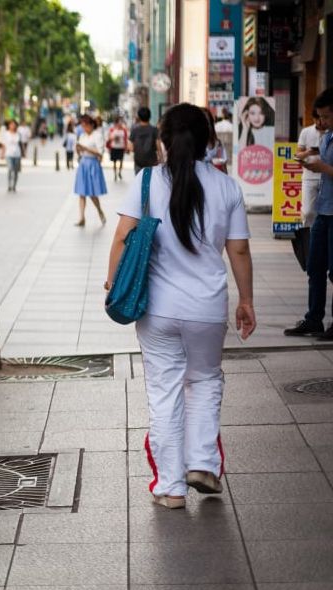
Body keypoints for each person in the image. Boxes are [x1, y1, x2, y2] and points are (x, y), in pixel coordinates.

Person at [107, 102, 255, 509]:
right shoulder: (226, 186)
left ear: (163, 141)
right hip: (207, 309)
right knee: (205, 381)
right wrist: (246, 300)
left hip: (157, 310)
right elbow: (238, 250)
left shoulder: (146, 181)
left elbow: (122, 238)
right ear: (209, 140)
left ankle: (170, 488)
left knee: (165, 391)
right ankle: (203, 464)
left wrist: (112, 280)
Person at [286, 89, 333, 340]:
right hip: (323, 211)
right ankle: (313, 319)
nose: (321, 123)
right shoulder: (326, 139)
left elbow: (328, 169)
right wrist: (311, 163)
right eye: (320, 117)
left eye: (326, 117)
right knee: (314, 267)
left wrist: (322, 167)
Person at [73, 115, 108, 227]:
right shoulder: (82, 136)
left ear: (91, 125)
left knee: (92, 193)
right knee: (82, 193)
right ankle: (82, 217)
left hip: (93, 164)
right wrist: (78, 150)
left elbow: (100, 152)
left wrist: (86, 148)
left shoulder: (97, 135)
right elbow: (80, 152)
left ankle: (99, 210)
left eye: (85, 125)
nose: (84, 128)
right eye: (82, 126)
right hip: (83, 164)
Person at [297, 109, 327, 228]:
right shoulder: (306, 132)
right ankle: (308, 239)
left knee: (326, 212)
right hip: (309, 177)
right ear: (314, 119)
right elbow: (297, 155)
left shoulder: (330, 132)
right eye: (317, 119)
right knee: (308, 211)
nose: (320, 122)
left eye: (323, 118)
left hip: (327, 177)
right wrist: (309, 152)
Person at [130, 107, 160, 175]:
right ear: (150, 116)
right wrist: (161, 158)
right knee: (151, 181)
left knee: (139, 181)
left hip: (138, 161)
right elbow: (158, 146)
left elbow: (131, 148)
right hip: (151, 161)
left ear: (139, 117)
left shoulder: (134, 130)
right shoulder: (154, 130)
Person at [0, 120, 22, 192]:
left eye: (14, 124)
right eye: (11, 124)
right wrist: (2, 154)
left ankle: (14, 186)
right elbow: (3, 144)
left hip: (17, 154)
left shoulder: (18, 134)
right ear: (9, 125)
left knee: (15, 171)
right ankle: (9, 185)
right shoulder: (6, 134)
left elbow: (20, 144)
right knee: (10, 169)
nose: (13, 126)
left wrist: (24, 153)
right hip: (8, 154)